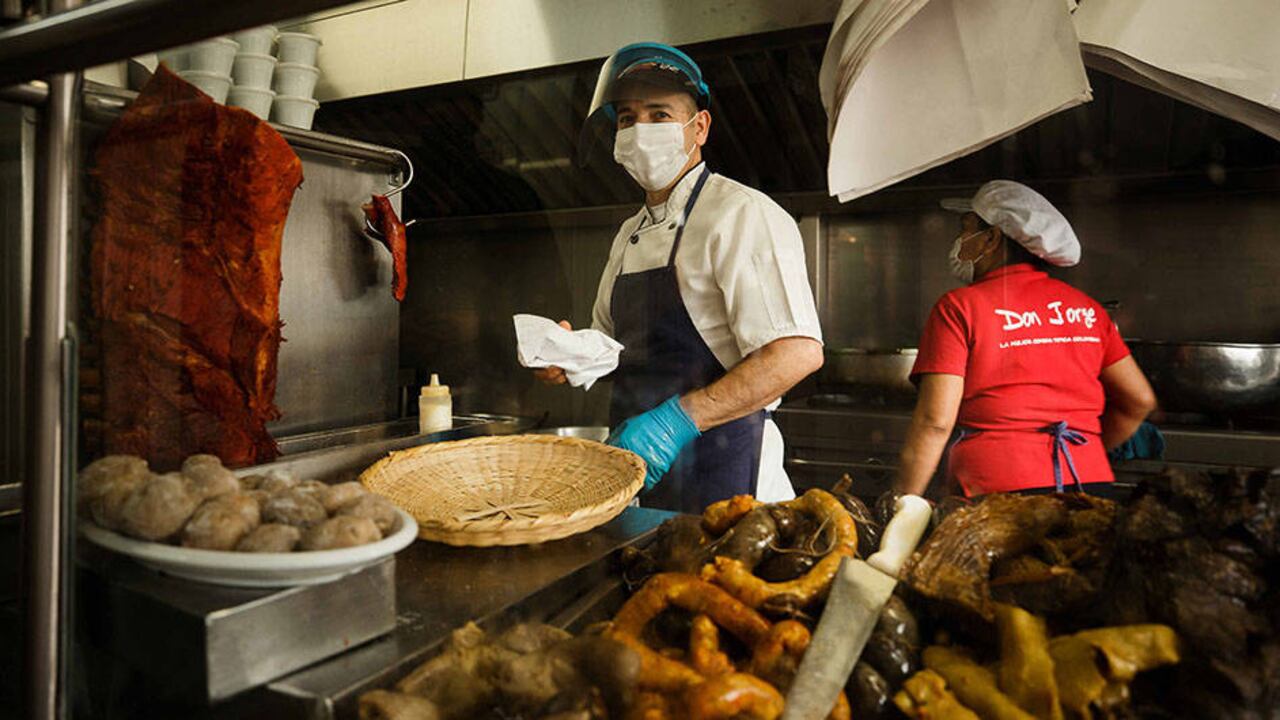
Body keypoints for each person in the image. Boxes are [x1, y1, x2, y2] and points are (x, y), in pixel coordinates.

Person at [537, 42, 824, 513]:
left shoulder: (742, 214)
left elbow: (795, 354)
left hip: (730, 477)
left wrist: (675, 423)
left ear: (700, 127)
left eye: (659, 115)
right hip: (645, 475)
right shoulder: (628, 233)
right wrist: (567, 355)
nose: (640, 131)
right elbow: (611, 346)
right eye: (627, 119)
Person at [895, 180, 1156, 498]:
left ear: (990, 239)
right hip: (1087, 483)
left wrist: (902, 504)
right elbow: (1139, 400)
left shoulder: (959, 307)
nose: (959, 241)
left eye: (965, 229)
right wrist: (1087, 450)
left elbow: (935, 421)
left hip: (996, 489)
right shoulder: (1088, 308)